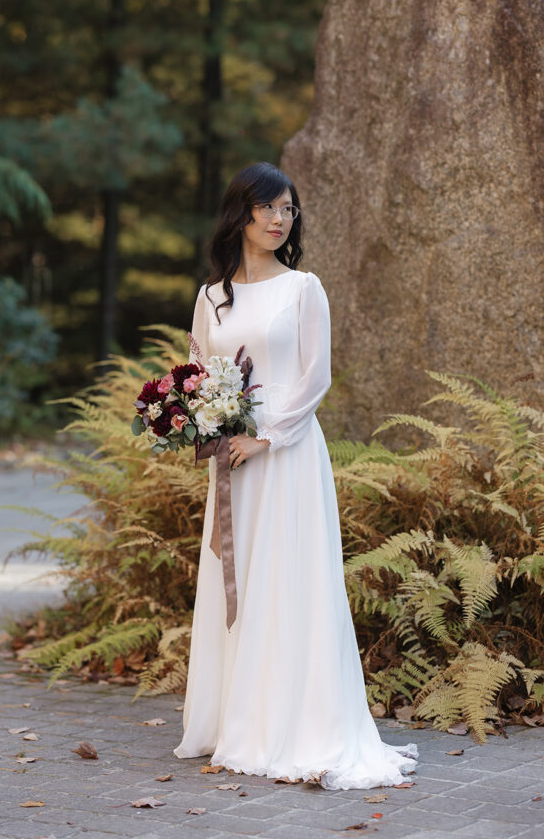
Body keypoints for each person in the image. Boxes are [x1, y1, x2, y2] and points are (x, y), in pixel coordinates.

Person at [173, 161, 419, 788]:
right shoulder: (211, 296)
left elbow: (315, 377)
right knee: (242, 577)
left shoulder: (304, 288)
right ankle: (238, 719)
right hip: (230, 460)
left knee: (289, 579)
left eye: (289, 210)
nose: (281, 219)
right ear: (241, 213)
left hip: (284, 454)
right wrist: (200, 420)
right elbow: (198, 369)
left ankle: (295, 725)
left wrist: (266, 437)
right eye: (269, 208)